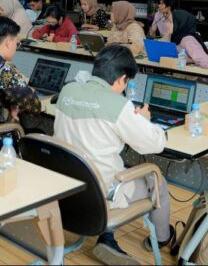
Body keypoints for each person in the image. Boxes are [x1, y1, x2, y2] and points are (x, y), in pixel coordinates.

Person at [54, 45, 173, 264]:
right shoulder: (119, 105)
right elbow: (155, 143)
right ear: (122, 79)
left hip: (67, 188)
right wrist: (144, 121)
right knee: (157, 181)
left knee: (105, 163)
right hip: (103, 193)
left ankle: (106, 236)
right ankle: (164, 238)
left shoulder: (67, 91)